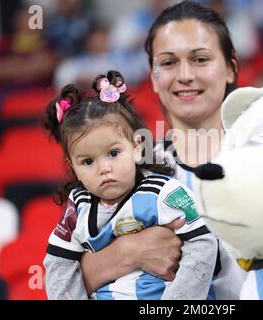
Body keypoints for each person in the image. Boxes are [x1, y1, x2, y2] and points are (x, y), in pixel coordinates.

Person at [80, 1, 248, 300]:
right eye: (168, 63)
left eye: (200, 59)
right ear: (154, 78)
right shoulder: (125, 166)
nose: (184, 75)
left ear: (231, 68)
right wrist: (127, 252)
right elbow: (65, 273)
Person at [42, 70, 218, 300]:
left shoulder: (163, 192)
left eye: (113, 153)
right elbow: (58, 265)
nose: (104, 168)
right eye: (88, 161)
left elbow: (203, 244)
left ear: (136, 147)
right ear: (72, 166)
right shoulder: (78, 206)